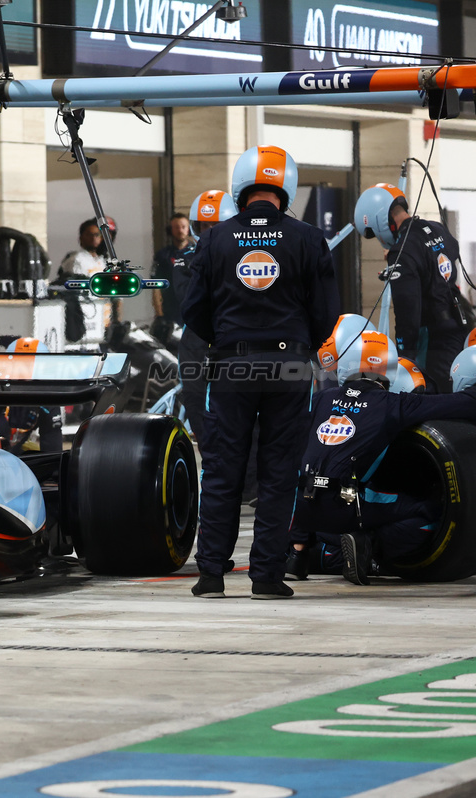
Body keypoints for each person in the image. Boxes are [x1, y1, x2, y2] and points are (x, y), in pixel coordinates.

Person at [182, 145, 339, 599]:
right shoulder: (309, 239)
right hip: (289, 366)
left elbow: (194, 311)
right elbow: (327, 312)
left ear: (240, 188)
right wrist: (297, 343)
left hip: (231, 365)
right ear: (285, 188)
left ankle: (211, 573)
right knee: (278, 472)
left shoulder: (214, 239)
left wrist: (230, 341)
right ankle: (267, 577)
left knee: (221, 469)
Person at [289, 333, 476, 585]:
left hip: (300, 509)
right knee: (431, 513)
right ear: (389, 368)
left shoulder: (320, 399)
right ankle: (369, 546)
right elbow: (465, 403)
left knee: (303, 479)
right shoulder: (392, 404)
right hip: (345, 506)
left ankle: (297, 556)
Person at [356, 183, 469, 391]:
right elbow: (452, 250)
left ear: (379, 220)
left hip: (432, 342)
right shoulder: (436, 228)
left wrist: (404, 355)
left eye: (373, 232)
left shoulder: (402, 252)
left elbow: (407, 310)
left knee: (433, 405)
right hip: (460, 328)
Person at [176, 191, 239, 444]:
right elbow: (190, 302)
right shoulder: (185, 260)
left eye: (217, 225)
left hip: (236, 343)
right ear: (195, 226)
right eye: (205, 225)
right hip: (196, 342)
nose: (210, 230)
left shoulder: (246, 258)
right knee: (197, 405)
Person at [151, 212, 194, 326]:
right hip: (170, 314)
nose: (180, 230)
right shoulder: (163, 255)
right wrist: (159, 315)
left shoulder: (198, 253)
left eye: (183, 227)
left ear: (188, 229)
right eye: (176, 227)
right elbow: (156, 286)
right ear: (170, 230)